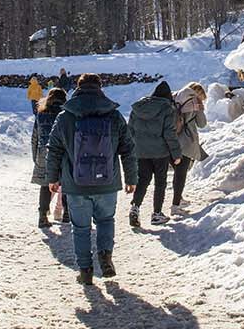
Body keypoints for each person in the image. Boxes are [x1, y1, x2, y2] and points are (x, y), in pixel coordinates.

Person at [45, 73, 136, 286]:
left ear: (78, 87)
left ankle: (85, 270)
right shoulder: (114, 115)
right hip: (107, 182)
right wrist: (131, 177)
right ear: (100, 87)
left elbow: (54, 149)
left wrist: (52, 178)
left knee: (81, 228)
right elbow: (128, 148)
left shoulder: (65, 116)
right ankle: (105, 255)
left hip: (75, 184)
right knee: (105, 220)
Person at [127, 80, 181, 228]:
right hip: (160, 153)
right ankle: (157, 214)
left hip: (141, 152)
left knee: (143, 180)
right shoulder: (167, 109)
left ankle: (135, 208)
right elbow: (169, 133)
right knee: (160, 182)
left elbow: (130, 130)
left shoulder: (138, 107)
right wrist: (176, 154)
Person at [171, 82, 209, 216]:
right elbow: (202, 124)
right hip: (186, 141)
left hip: (170, 140)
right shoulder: (194, 102)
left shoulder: (174, 97)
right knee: (181, 174)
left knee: (177, 172)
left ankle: (179, 198)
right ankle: (175, 205)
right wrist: (200, 109)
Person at [32, 88, 67, 228]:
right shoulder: (66, 114)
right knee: (66, 182)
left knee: (45, 185)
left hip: (43, 153)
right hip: (62, 152)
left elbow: (35, 137)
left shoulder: (41, 114)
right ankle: (67, 214)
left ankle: (42, 216)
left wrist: (35, 156)